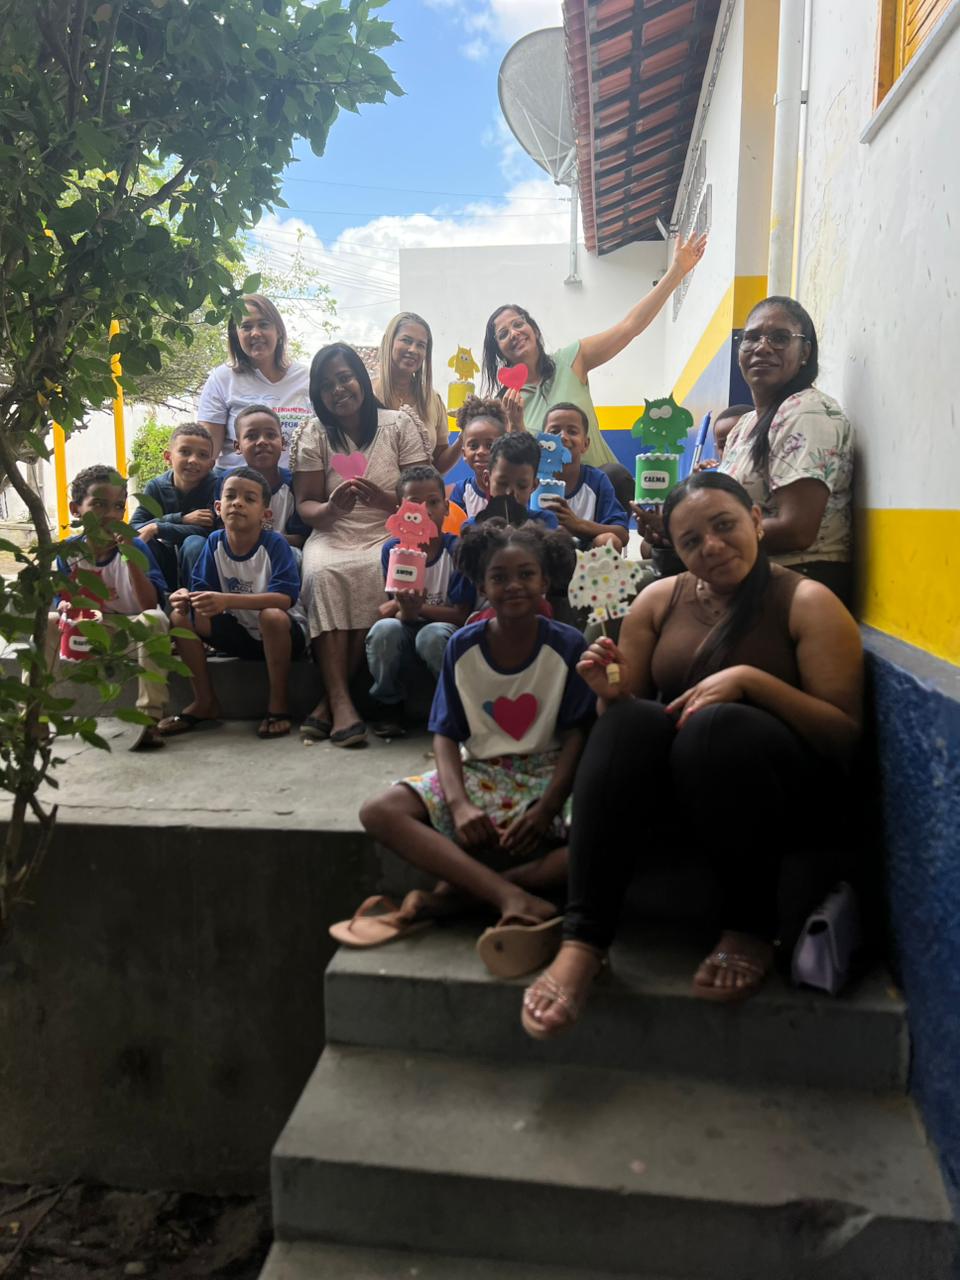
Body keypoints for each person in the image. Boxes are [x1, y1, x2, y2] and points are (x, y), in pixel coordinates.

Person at [521, 470, 863, 1039]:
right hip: (686, 790)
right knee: (628, 720)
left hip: (779, 797)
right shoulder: (659, 599)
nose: (713, 546)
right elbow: (629, 712)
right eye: (691, 540)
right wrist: (609, 693)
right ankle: (584, 939)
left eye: (725, 525)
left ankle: (749, 927)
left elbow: (843, 735)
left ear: (757, 520)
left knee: (717, 726)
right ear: (674, 549)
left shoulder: (806, 602)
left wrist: (751, 683)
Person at [349, 521, 594, 978]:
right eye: (499, 577)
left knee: (606, 836)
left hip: (551, 773)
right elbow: (445, 732)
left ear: (545, 580)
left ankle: (460, 896)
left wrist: (548, 806)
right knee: (378, 811)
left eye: (526, 574)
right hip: (482, 770)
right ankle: (509, 896)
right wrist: (459, 803)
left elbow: (578, 733)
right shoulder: (462, 646)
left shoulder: (568, 644)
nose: (514, 585)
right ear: (481, 586)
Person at [292, 342, 429, 748]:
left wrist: (385, 500)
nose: (338, 390)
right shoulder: (314, 433)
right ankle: (341, 701)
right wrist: (331, 509)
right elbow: (305, 505)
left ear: (362, 380)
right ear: (317, 394)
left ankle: (330, 702)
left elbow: (423, 498)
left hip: (391, 529)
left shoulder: (398, 425)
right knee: (322, 573)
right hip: (332, 532)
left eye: (344, 378)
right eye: (326, 385)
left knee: (375, 569)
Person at [480, 232, 707, 470]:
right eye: (503, 334)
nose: (514, 333)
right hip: (551, 493)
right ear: (499, 352)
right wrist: (516, 425)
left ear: (534, 330)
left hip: (607, 484)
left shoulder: (571, 359)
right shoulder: (505, 404)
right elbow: (518, 466)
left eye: (518, 324)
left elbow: (629, 327)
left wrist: (677, 271)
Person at [720, 298, 854, 604]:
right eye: (752, 337)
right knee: (621, 591)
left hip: (798, 585)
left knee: (637, 603)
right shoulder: (745, 425)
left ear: (805, 352)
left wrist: (705, 535)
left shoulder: (806, 412)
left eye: (780, 338)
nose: (762, 347)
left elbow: (796, 530)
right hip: (746, 574)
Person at [160, 467, 307, 740]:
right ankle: (204, 701)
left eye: (249, 499)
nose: (238, 503)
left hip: (283, 636)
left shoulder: (274, 544)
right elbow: (202, 592)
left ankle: (278, 703)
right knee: (180, 617)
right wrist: (184, 596)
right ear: (218, 507)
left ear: (265, 514)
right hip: (240, 634)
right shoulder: (214, 542)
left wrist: (227, 599)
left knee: (272, 616)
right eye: (230, 496)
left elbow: (284, 599)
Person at [50, 465, 170, 750]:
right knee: (47, 621)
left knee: (154, 618)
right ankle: (34, 716)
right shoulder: (68, 553)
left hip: (129, 631)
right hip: (86, 633)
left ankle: (149, 718)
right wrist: (64, 605)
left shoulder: (136, 547)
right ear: (76, 509)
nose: (110, 515)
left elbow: (149, 604)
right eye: (99, 505)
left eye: (118, 507)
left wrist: (129, 554)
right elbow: (61, 599)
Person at [366, 465, 476, 739]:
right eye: (415, 503)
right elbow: (395, 611)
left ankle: (453, 704)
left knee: (431, 635)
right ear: (400, 511)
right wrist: (404, 610)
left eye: (433, 502)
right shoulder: (393, 550)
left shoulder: (458, 551)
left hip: (445, 630)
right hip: (407, 624)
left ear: (446, 508)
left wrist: (416, 608)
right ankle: (388, 704)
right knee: (383, 631)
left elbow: (461, 615)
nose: (424, 511)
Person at [197, 294, 311, 470]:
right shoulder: (222, 379)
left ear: (279, 331)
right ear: (236, 335)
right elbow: (205, 453)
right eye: (246, 327)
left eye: (264, 324)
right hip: (235, 484)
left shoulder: (306, 378)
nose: (256, 333)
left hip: (296, 484)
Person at [130, 422, 217, 590]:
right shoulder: (156, 486)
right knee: (142, 542)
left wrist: (158, 528)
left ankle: (197, 602)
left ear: (211, 464)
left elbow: (210, 531)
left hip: (201, 557)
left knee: (194, 543)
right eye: (185, 452)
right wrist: (180, 519)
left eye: (202, 455)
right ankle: (157, 598)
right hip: (165, 559)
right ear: (168, 457)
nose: (193, 460)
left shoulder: (216, 486)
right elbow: (134, 528)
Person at [373, 312, 461, 473]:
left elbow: (438, 465)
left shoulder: (433, 400)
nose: (413, 349)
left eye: (421, 345)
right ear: (389, 342)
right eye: (406, 340)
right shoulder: (367, 395)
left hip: (419, 490)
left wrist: (464, 436)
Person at [540, 402, 629, 550]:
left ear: (585, 444)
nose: (562, 437)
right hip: (542, 555)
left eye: (572, 431)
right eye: (554, 431)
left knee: (609, 540)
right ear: (542, 442)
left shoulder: (597, 481)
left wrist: (577, 524)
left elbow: (622, 534)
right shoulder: (533, 481)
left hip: (587, 557)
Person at [226, 404, 310, 550]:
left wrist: (259, 538)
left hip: (282, 555)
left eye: (270, 435)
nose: (262, 441)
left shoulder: (295, 485)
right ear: (237, 446)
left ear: (283, 443)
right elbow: (221, 531)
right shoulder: (227, 484)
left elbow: (301, 538)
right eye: (252, 436)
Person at [464, 433, 560, 532]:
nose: (510, 492)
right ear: (487, 479)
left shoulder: (545, 523)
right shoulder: (472, 528)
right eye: (502, 483)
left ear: (534, 486)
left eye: (522, 486)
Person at [448, 396, 508, 520]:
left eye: (490, 445)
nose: (481, 452)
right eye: (474, 446)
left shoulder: (513, 490)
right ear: (464, 453)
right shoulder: (461, 492)